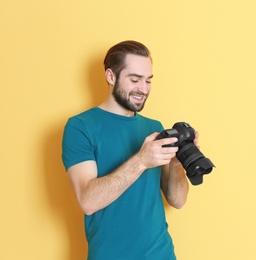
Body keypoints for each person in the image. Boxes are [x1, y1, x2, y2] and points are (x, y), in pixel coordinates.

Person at [62, 40, 195, 259]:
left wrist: (177, 162)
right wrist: (142, 160)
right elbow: (88, 201)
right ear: (111, 76)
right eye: (134, 80)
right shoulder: (80, 127)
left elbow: (177, 200)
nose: (143, 89)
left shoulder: (154, 128)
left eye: (148, 81)